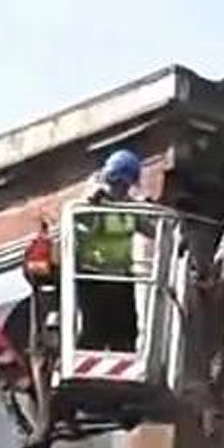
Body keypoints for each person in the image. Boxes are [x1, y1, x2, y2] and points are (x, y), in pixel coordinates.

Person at [75, 148, 146, 354]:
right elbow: (80, 219)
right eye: (120, 184)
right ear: (111, 179)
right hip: (93, 276)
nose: (123, 190)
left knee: (126, 333)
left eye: (127, 186)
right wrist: (92, 201)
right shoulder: (92, 201)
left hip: (121, 278)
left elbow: (149, 227)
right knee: (95, 332)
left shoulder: (129, 207)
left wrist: (175, 235)